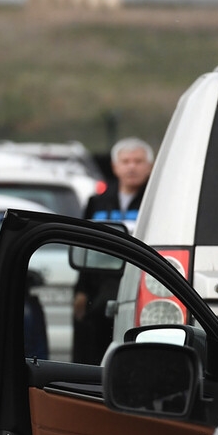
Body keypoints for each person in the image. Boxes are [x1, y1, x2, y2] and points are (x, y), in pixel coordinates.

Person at [72, 136, 154, 364]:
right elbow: (85, 247)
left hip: (140, 281)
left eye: (138, 161)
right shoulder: (97, 203)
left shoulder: (157, 201)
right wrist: (81, 290)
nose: (132, 167)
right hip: (100, 286)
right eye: (126, 161)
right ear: (115, 166)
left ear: (150, 167)